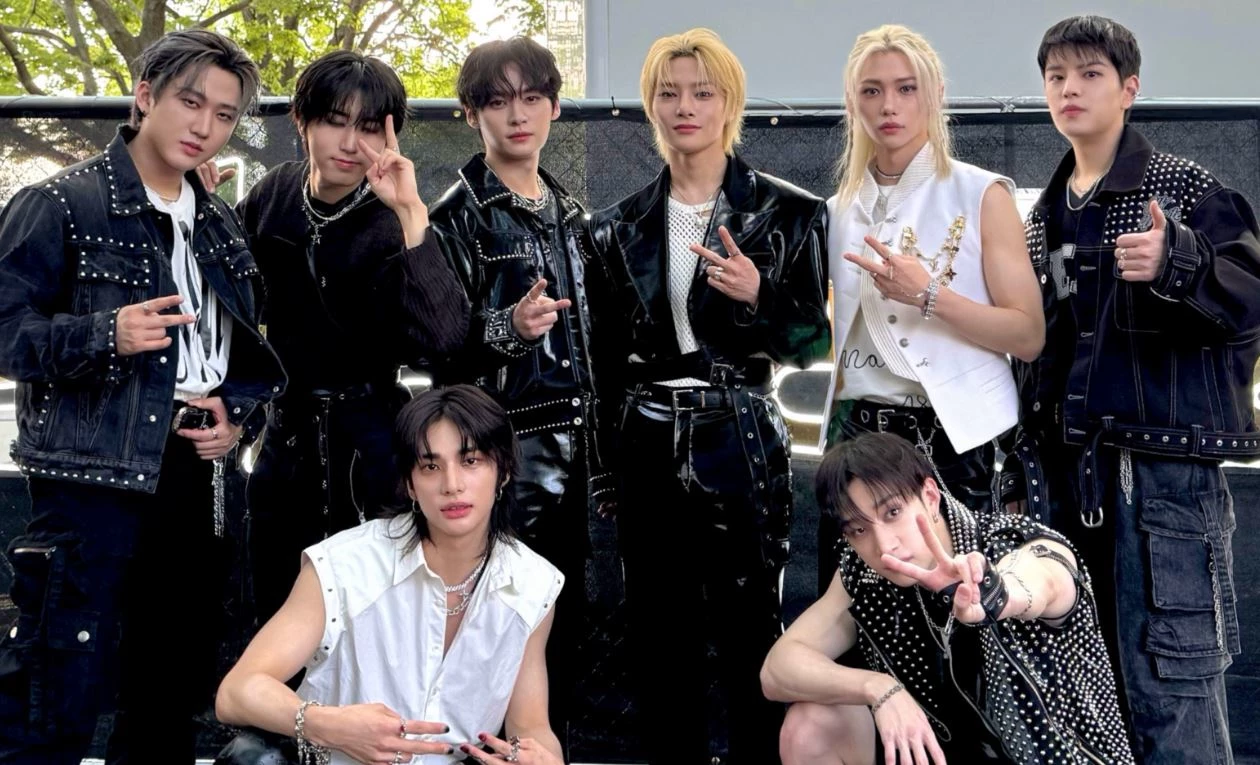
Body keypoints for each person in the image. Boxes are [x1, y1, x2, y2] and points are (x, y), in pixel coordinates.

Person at [0, 30, 285, 764]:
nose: (204, 125)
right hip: (91, 475)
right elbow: (5, 331)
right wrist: (104, 334)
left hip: (197, 470)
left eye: (224, 114)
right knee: (58, 681)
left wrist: (235, 412)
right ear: (145, 95)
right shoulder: (60, 203)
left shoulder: (218, 220)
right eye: (190, 102)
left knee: (170, 683)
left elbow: (239, 347)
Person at [1014, 15, 1260, 763]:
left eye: (1089, 74)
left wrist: (1178, 260)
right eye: (1056, 76)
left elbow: (1251, 300)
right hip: (1067, 481)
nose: (1069, 89)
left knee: (1173, 701)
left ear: (1129, 88)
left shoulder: (1186, 188)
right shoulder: (1041, 215)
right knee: (1080, 705)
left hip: (1163, 484)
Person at [584, 27, 831, 763]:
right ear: (651, 107)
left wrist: (761, 296)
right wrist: (606, 466)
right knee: (658, 635)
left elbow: (812, 346)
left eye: (702, 92)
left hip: (741, 431)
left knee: (752, 627)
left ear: (730, 104)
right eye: (669, 93)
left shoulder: (790, 213)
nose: (684, 107)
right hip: (647, 434)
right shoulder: (615, 225)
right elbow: (603, 362)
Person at [222, 50, 469, 624]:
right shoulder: (274, 193)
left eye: (370, 128)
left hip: (371, 440)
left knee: (370, 616)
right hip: (285, 435)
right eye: (335, 121)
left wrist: (410, 212)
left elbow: (446, 338)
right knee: (280, 606)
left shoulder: (394, 216)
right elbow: (228, 304)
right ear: (303, 121)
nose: (351, 143)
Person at [215, 385, 564, 765]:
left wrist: (541, 759)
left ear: (504, 472)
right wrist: (329, 725)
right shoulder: (345, 565)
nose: (452, 485)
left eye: (471, 461)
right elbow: (237, 692)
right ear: (411, 484)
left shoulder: (531, 584)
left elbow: (530, 727)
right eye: (431, 467)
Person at [426, 37, 609, 753]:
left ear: (555, 107)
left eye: (532, 97)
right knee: (489, 633)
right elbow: (439, 347)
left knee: (561, 627)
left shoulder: (574, 214)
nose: (518, 114)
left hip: (577, 449)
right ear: (472, 114)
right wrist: (509, 327)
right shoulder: (456, 216)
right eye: (498, 101)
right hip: (499, 451)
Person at [815, 24, 1044, 590]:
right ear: (852, 100)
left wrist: (928, 295)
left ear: (936, 93)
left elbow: (1028, 334)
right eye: (871, 90)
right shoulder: (836, 210)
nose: (888, 105)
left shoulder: (983, 193)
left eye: (906, 87)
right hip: (855, 434)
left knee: (957, 606)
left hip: (953, 440)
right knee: (854, 605)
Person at [762, 432, 1135, 765]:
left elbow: (1043, 580)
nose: (884, 545)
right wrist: (878, 688)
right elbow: (777, 669)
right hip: (943, 753)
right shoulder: (866, 572)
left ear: (929, 496)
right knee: (810, 725)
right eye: (859, 530)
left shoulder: (1010, 543)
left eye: (893, 512)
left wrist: (994, 593)